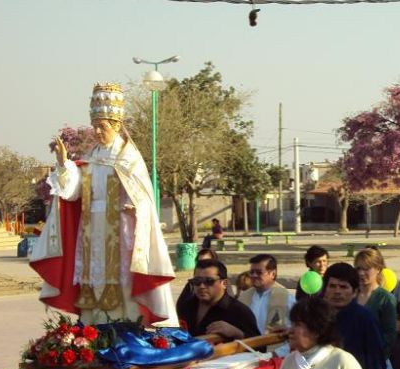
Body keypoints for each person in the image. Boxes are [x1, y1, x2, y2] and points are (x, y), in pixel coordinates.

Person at [31, 83, 177, 326]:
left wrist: (136, 207)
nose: (98, 132)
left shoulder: (128, 157)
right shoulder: (93, 156)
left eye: (103, 127)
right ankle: (94, 324)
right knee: (92, 275)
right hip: (90, 230)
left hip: (120, 227)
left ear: (117, 125)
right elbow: (73, 191)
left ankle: (127, 323)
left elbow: (142, 193)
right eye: (95, 127)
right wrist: (63, 164)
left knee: (122, 276)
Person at [176, 259, 259, 341]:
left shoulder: (239, 312)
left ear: (224, 283)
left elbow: (261, 347)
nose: (202, 286)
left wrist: (238, 333)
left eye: (209, 281)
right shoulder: (185, 306)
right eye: (197, 281)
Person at [238, 254, 296, 354]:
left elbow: (294, 331)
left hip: (275, 357)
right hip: (246, 353)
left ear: (272, 274)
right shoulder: (244, 297)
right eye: (252, 272)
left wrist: (276, 354)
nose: (254, 276)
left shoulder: (286, 298)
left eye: (259, 272)